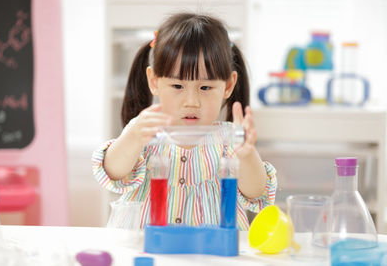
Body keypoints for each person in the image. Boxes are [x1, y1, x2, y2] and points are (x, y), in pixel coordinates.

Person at [92, 12, 277, 230]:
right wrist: (132, 138)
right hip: (148, 249)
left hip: (213, 254)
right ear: (154, 81)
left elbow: (256, 193)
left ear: (228, 86)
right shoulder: (144, 133)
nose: (191, 102)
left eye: (205, 88)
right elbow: (113, 174)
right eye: (178, 86)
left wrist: (246, 156)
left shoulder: (230, 141)